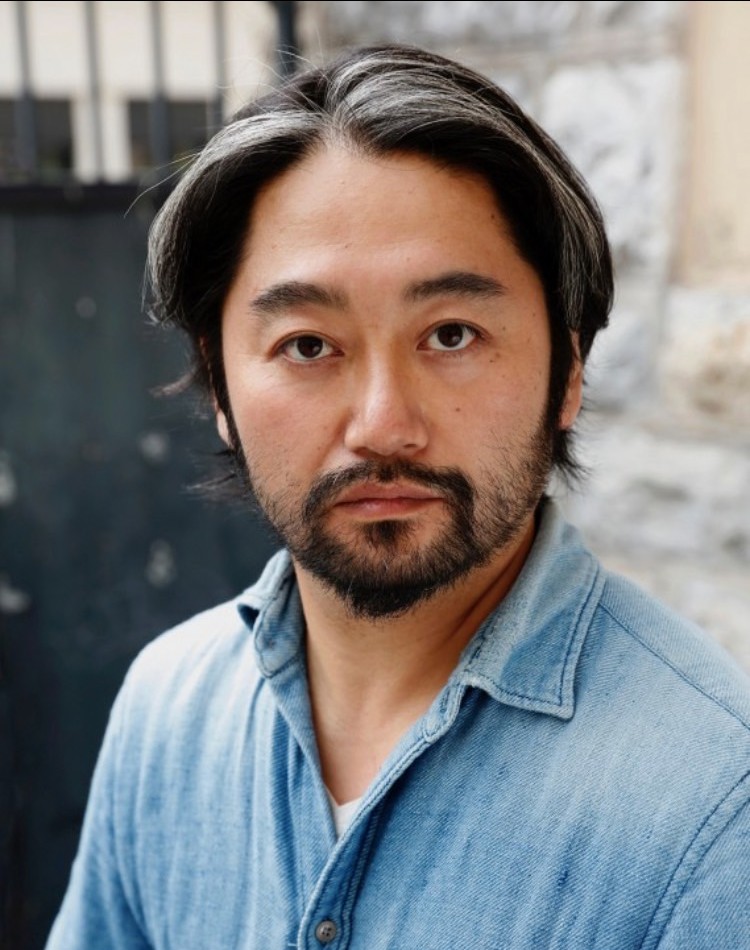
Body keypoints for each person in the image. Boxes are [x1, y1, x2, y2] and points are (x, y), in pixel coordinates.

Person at [48, 45, 750, 949]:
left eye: (451, 334)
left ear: (568, 371)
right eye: (308, 345)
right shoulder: (167, 712)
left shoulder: (712, 803)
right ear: (218, 386)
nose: (383, 426)